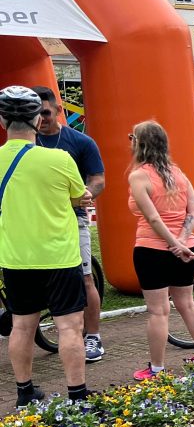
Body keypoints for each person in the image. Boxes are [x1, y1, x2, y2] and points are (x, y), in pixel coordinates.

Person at [0, 86, 92, 406]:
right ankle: (77, 397)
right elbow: (79, 195)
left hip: (15, 257)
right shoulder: (60, 158)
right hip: (59, 256)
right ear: (39, 119)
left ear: (2, 121)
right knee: (69, 325)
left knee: (22, 326)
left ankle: (25, 393)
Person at [127, 121, 194, 378]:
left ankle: (157, 368)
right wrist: (183, 241)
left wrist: (172, 244)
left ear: (140, 143)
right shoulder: (178, 173)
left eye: (132, 137)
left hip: (152, 250)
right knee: (187, 304)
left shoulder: (139, 176)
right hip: (184, 250)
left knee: (158, 311)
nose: (129, 141)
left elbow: (153, 218)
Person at [32, 86, 107, 363]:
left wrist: (82, 198)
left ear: (58, 110)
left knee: (84, 278)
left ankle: (93, 337)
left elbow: (98, 180)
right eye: (36, 114)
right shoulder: (27, 144)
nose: (41, 119)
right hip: (35, 223)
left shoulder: (80, 142)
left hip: (71, 220)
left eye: (46, 112)